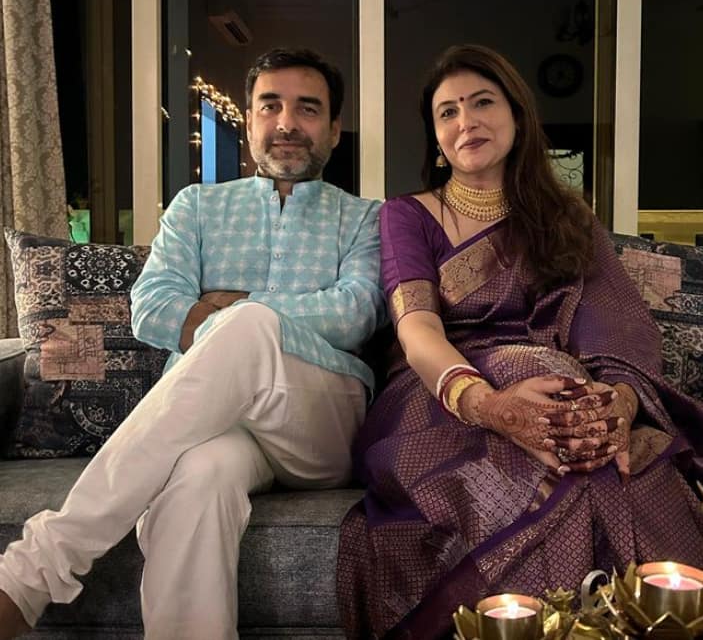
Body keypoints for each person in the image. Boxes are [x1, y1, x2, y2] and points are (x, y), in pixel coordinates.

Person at [0, 47, 385, 640]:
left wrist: (234, 308)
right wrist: (244, 321)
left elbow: (354, 313)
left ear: (334, 129)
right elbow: (152, 308)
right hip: (217, 429)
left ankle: (35, 569)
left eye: (307, 109)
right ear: (249, 121)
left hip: (320, 422)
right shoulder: (197, 207)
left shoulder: (366, 218)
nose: (286, 122)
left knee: (249, 325)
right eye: (270, 106)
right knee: (198, 478)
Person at [336, 43, 703, 640]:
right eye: (448, 112)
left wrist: (618, 403)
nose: (466, 121)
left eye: (482, 103)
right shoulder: (408, 215)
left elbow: (614, 329)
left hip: (565, 390)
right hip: (440, 393)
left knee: (629, 461)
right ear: (436, 137)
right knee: (543, 419)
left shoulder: (567, 218)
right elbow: (417, 329)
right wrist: (489, 405)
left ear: (516, 114)